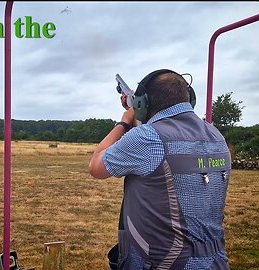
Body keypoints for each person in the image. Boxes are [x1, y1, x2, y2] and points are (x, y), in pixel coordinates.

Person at [88, 69, 231, 269]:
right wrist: (141, 117)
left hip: (164, 262)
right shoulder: (216, 136)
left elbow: (96, 167)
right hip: (215, 260)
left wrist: (125, 120)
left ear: (143, 103)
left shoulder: (147, 138)